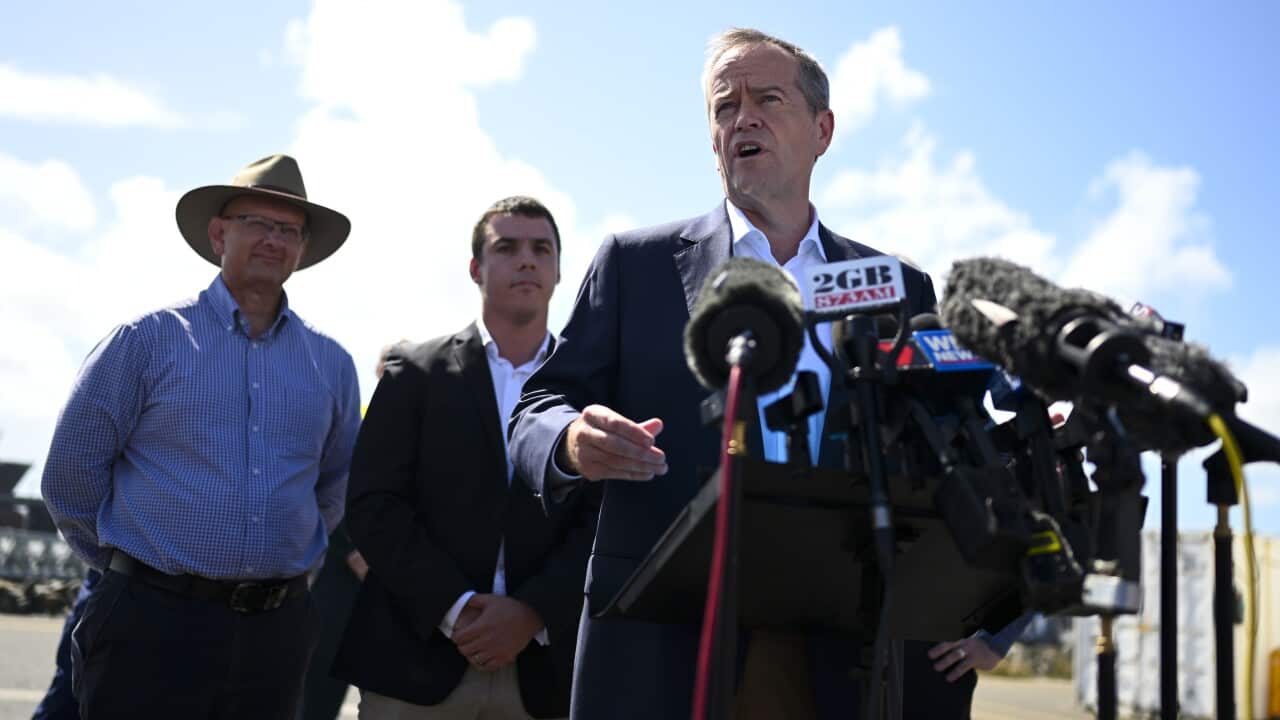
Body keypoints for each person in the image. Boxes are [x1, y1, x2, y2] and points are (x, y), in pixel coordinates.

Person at [508, 29, 938, 720]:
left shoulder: (894, 289)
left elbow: (931, 445)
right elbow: (539, 404)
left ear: (822, 130)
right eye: (724, 106)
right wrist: (569, 440)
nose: (743, 118)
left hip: (836, 649)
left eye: (768, 98)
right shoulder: (636, 264)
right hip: (663, 640)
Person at [41, 154, 361, 720]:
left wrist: (283, 570)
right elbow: (70, 477)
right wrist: (132, 572)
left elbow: (334, 487)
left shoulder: (331, 364)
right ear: (219, 234)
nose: (273, 239)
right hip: (150, 625)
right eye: (257, 223)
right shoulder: (146, 341)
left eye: (288, 230)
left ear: (303, 249)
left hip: (276, 633)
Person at [334, 196, 596, 720]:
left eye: (541, 248)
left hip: (547, 674)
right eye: (508, 247)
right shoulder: (415, 372)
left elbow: (605, 517)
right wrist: (456, 610)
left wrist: (531, 612)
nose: (527, 259)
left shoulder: (592, 384)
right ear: (476, 268)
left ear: (559, 270)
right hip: (414, 662)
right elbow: (372, 506)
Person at [299, 344, 399, 720]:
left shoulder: (428, 429)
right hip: (342, 574)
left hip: (396, 579)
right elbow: (329, 490)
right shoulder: (354, 423)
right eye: (389, 369)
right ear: (377, 372)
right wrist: (354, 552)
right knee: (319, 685)